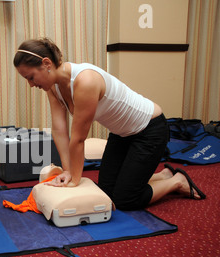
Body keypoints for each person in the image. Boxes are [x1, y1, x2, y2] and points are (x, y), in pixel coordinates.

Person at [13, 38, 206, 211]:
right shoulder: (52, 87)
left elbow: (78, 138)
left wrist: (74, 180)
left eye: (30, 77)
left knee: (125, 200)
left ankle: (176, 181)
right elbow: (60, 130)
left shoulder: (85, 80)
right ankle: (162, 176)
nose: (31, 84)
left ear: (46, 63)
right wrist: (67, 171)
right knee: (106, 190)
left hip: (150, 130)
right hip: (121, 134)